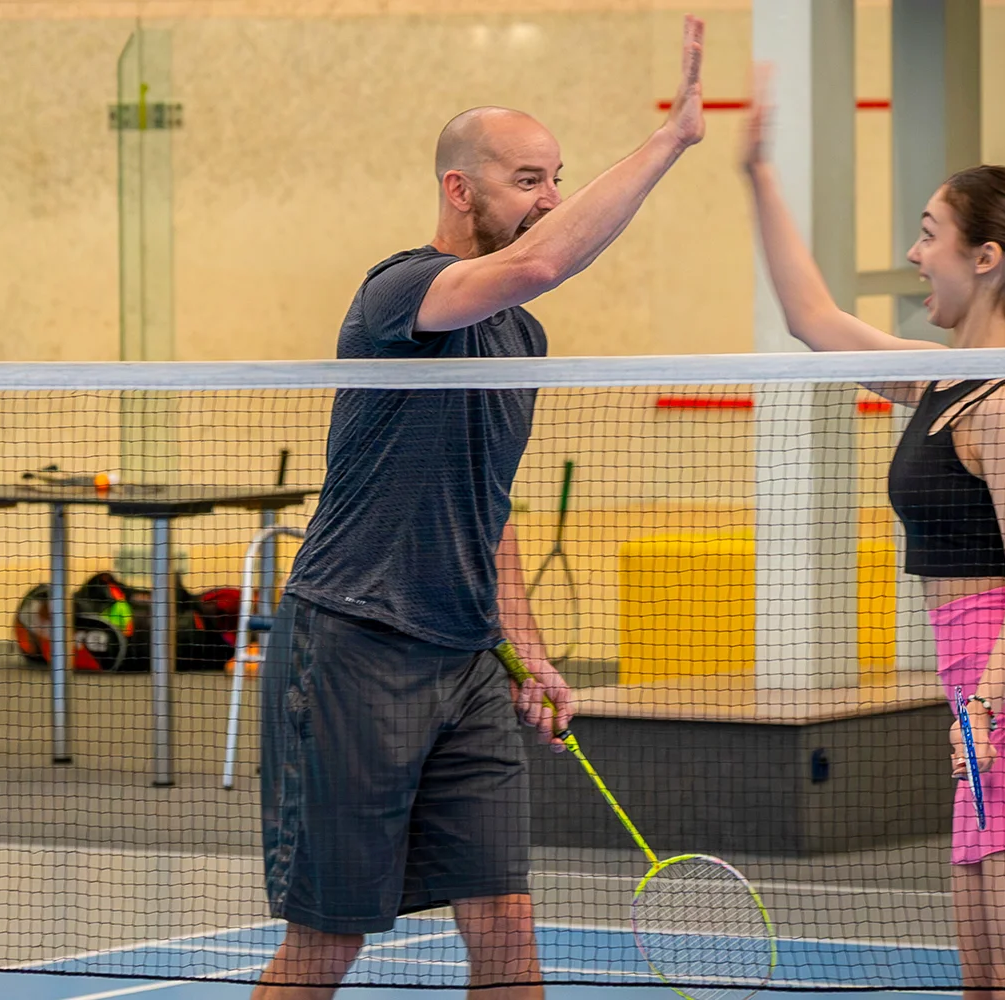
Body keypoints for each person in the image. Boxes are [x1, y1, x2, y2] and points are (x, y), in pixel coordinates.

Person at [253, 17, 707, 1000]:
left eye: (557, 178)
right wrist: (669, 140)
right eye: (528, 179)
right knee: (328, 943)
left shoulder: (521, 338)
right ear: (460, 189)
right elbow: (539, 262)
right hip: (354, 646)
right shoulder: (400, 296)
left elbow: (487, 508)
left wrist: (526, 648)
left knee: (505, 925)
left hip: (465, 662)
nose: (549, 199)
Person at [739, 68, 1005, 1000]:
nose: (913, 253)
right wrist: (758, 171)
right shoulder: (939, 379)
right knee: (984, 983)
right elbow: (812, 321)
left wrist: (985, 710)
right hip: (984, 711)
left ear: (987, 257)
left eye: (929, 234)